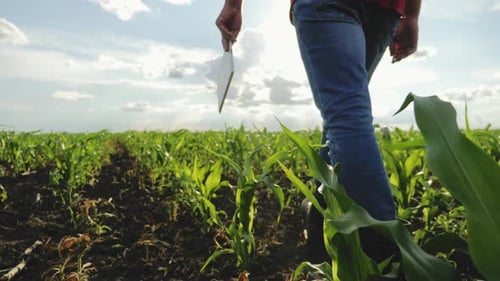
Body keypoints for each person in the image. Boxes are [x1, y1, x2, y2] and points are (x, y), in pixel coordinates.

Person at [216, 0, 421, 263]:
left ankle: (384, 250)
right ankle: (319, 226)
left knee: (345, 114)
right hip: (385, 9)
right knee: (344, 112)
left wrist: (233, 5)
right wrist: (412, 14)